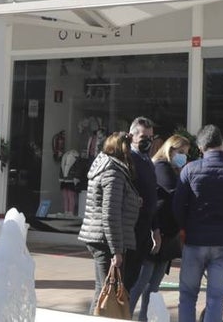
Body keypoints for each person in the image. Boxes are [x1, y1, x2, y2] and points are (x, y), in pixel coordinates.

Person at [173, 124, 223, 322]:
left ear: (200, 147)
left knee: (187, 294)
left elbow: (177, 207)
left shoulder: (189, 170)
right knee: (216, 297)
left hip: (195, 240)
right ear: (222, 144)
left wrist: (185, 227)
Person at [77, 131, 142, 314]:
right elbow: (110, 213)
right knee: (105, 291)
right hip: (106, 240)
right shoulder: (113, 172)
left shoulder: (106, 167)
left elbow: (113, 205)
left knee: (103, 289)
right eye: (129, 149)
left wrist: (134, 201)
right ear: (123, 150)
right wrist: (117, 251)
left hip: (100, 237)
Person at [129, 133, 191, 320]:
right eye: (181, 152)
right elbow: (173, 196)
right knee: (142, 283)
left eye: (186, 153)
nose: (184, 157)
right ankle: (125, 316)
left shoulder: (172, 169)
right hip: (157, 233)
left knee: (153, 287)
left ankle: (143, 318)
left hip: (167, 235)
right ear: (170, 149)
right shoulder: (162, 167)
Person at [123, 117, 161, 296]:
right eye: (144, 137)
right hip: (130, 230)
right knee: (120, 282)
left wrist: (155, 229)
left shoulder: (147, 161)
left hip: (144, 230)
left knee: (131, 281)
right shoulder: (127, 160)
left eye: (151, 137)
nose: (148, 141)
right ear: (132, 136)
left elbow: (151, 195)